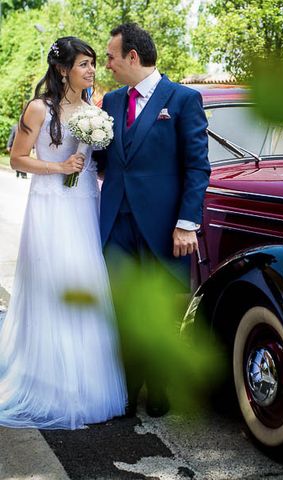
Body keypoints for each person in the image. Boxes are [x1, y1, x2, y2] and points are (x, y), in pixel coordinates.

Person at [0, 37, 126, 429]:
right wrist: (59, 168)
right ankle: (51, 384)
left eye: (93, 63)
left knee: (86, 285)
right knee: (54, 286)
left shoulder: (94, 111)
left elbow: (97, 161)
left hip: (86, 205)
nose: (92, 70)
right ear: (62, 69)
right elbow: (16, 157)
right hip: (51, 208)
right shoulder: (38, 109)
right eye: (85, 64)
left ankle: (86, 385)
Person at [96, 23, 210, 418]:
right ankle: (127, 387)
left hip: (164, 226)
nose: (106, 64)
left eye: (111, 56)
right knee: (121, 305)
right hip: (114, 223)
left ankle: (159, 385)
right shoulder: (109, 102)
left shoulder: (182, 99)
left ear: (132, 57)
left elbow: (197, 167)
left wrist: (186, 222)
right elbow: (104, 158)